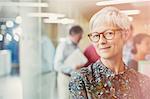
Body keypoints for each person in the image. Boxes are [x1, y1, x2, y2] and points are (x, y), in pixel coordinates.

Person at [69, 6, 150, 99]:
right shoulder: (82, 79)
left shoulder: (142, 82)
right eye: (96, 35)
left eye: (109, 33)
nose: (101, 41)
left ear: (125, 34)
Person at [54, 25, 84, 99]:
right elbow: (57, 65)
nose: (81, 38)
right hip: (65, 77)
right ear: (74, 34)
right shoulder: (63, 46)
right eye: (80, 36)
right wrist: (73, 67)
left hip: (73, 77)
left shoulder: (75, 46)